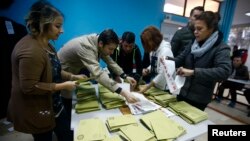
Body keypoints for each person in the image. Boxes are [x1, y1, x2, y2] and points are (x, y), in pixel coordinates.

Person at [7, 1, 80, 141]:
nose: (62, 30)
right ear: (42, 24)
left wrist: (72, 76)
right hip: (37, 109)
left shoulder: (48, 45)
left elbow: (54, 71)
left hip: (55, 104)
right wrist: (63, 86)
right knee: (44, 138)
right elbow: (29, 87)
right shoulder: (30, 51)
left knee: (67, 134)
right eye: (58, 26)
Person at [168, 11, 232, 111]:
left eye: (200, 29)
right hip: (183, 92)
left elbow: (224, 71)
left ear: (211, 29)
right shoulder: (192, 44)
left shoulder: (221, 48)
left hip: (199, 98)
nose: (195, 32)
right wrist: (166, 60)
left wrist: (193, 72)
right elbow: (180, 59)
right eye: (195, 29)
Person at [57, 29, 138, 106]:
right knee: (67, 100)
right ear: (101, 44)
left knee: (76, 93)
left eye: (114, 49)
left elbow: (110, 62)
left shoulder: (99, 41)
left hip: (75, 67)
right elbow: (98, 74)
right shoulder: (87, 46)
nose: (112, 52)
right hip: (63, 69)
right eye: (110, 49)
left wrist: (125, 76)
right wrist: (124, 93)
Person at [139, 26, 174, 93]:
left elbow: (163, 73)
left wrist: (147, 86)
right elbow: (155, 64)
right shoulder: (153, 49)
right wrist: (148, 69)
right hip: (156, 85)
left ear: (152, 41)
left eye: (146, 43)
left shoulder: (166, 51)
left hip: (164, 88)